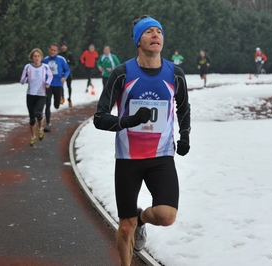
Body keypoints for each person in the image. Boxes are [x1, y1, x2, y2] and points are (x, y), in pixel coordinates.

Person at [93, 15, 191, 266]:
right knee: (125, 228)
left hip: (161, 156)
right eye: (149, 32)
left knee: (167, 216)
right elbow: (99, 118)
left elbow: (183, 107)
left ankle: (142, 218)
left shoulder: (175, 74)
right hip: (128, 158)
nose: (156, 35)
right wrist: (129, 121)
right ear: (138, 40)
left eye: (159, 31)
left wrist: (185, 136)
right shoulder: (122, 73)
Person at [20, 48, 53, 146]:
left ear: (41, 57)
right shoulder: (27, 67)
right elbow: (22, 81)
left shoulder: (45, 67)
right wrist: (26, 76)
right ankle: (33, 136)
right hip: (30, 94)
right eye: (35, 56)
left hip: (41, 94)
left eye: (38, 56)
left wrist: (47, 83)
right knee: (31, 119)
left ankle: (40, 129)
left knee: (39, 114)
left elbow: (50, 76)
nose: (37, 58)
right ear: (32, 57)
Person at [42, 43, 70, 132]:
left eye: (54, 50)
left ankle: (57, 103)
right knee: (47, 104)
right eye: (51, 50)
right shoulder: (45, 60)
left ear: (57, 51)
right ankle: (48, 123)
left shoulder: (61, 59)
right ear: (48, 50)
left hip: (58, 84)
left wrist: (64, 77)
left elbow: (67, 70)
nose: (52, 52)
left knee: (56, 105)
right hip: (48, 85)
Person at [59, 42, 76, 107]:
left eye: (65, 46)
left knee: (69, 86)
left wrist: (68, 61)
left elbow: (74, 63)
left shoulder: (69, 54)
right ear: (61, 47)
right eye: (62, 46)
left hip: (68, 72)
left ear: (67, 47)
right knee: (61, 86)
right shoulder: (59, 55)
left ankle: (69, 99)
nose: (63, 47)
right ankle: (62, 97)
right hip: (61, 73)